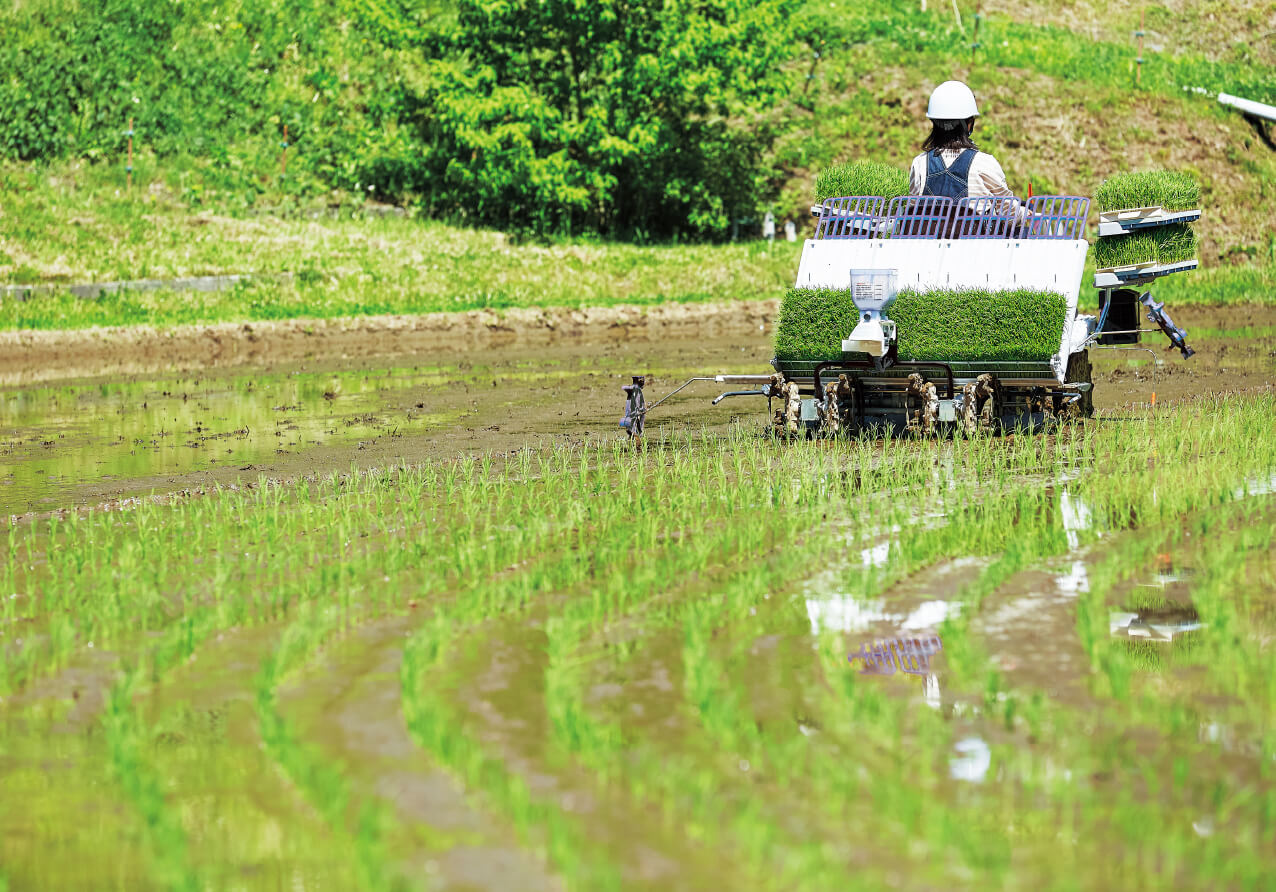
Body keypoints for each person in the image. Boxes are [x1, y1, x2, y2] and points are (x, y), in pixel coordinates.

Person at [908, 81, 1014, 203]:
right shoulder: (985, 163)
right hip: (974, 223)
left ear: (934, 123)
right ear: (969, 124)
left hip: (930, 223)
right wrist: (1025, 213)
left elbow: (914, 210)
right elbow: (1008, 213)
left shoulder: (920, 164)